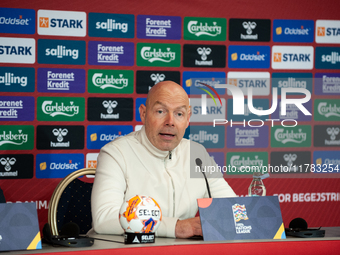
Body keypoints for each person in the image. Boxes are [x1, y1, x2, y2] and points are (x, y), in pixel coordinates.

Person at [91, 81, 236, 238]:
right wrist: (176, 227)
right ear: (144, 114)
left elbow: (233, 208)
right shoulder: (116, 153)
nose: (170, 122)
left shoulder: (197, 153)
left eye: (179, 114)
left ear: (188, 119)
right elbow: (104, 218)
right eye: (160, 111)